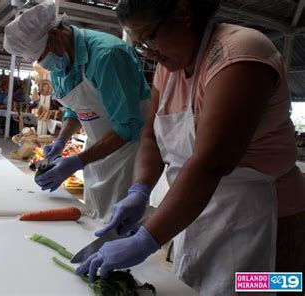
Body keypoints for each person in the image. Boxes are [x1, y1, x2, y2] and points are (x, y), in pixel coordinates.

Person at [77, 0, 305, 295]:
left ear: (183, 13)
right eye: (141, 45)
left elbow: (212, 162)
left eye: (149, 38)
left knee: (265, 289)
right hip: (197, 209)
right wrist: (139, 190)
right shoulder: (169, 67)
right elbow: (151, 135)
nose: (150, 53)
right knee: (198, 287)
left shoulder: (241, 54)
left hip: (266, 220)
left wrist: (147, 238)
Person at [4, 1, 151, 221]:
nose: (43, 62)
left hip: (128, 151)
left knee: (119, 221)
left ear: (55, 34)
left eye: (42, 54)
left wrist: (78, 161)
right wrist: (61, 141)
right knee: (95, 216)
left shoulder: (108, 55)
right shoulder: (59, 65)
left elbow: (127, 127)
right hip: (97, 149)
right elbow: (77, 110)